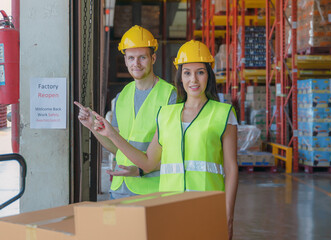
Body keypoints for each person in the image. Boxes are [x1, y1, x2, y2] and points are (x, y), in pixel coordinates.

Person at [89, 40, 238, 239]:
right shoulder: (166, 115)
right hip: (170, 209)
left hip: (207, 208)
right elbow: (148, 162)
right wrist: (110, 133)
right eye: (187, 73)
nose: (193, 79)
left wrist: (228, 216)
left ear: (208, 75)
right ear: (181, 77)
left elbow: (231, 169)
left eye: (200, 72)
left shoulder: (223, 113)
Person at [74, 25, 177, 200]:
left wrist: (140, 171)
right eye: (131, 58)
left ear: (153, 58)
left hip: (152, 191)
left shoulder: (170, 96)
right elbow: (117, 148)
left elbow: (176, 153)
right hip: (119, 188)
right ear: (125, 60)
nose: (135, 64)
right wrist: (93, 127)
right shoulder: (122, 96)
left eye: (142, 57)